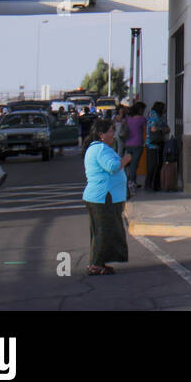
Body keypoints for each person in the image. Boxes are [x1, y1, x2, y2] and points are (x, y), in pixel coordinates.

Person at [83, 118, 131, 276]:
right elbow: (112, 166)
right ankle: (96, 264)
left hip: (101, 196)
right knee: (104, 231)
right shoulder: (100, 149)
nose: (113, 133)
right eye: (111, 130)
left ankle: (98, 262)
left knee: (102, 230)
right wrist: (126, 159)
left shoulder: (98, 148)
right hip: (104, 196)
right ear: (101, 135)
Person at [144, 101, 170, 191]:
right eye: (164, 108)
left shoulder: (161, 116)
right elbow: (153, 128)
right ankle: (148, 184)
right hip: (152, 144)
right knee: (152, 165)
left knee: (159, 165)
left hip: (159, 142)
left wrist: (163, 129)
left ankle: (156, 185)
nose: (165, 110)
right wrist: (162, 129)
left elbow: (167, 128)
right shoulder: (153, 114)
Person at [124, 102, 147, 192]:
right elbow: (146, 129)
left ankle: (131, 180)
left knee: (128, 163)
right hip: (137, 144)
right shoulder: (142, 119)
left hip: (127, 143)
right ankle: (131, 181)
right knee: (134, 164)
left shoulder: (128, 118)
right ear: (140, 110)